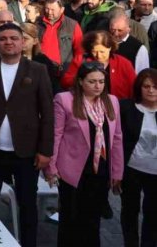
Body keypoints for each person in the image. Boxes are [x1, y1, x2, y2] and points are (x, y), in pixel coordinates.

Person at [0, 22, 54, 247]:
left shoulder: (37, 70)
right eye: (4, 38)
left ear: (22, 41)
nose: (8, 42)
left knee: (27, 203)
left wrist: (45, 150)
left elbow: (47, 112)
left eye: (13, 38)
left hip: (26, 151)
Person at [47, 62, 123, 247]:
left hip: (100, 170)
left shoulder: (111, 101)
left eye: (101, 81)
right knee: (71, 220)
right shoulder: (64, 100)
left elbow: (117, 138)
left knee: (92, 220)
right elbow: (55, 135)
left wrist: (117, 172)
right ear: (80, 82)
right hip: (72, 170)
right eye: (92, 82)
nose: (98, 86)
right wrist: (51, 167)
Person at [119, 69, 157, 247]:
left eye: (155, 87)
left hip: (155, 172)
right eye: (146, 86)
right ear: (139, 88)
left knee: (153, 213)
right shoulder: (127, 108)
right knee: (129, 211)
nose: (151, 90)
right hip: (132, 169)